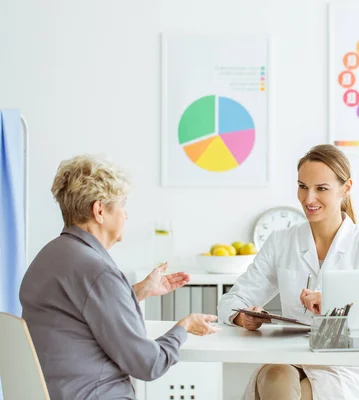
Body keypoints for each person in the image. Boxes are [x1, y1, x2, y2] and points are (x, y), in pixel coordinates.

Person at [19, 155, 219, 400]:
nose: (126, 215)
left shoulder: (49, 257)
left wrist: (138, 290)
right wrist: (184, 327)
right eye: (123, 205)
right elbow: (148, 364)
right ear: (100, 210)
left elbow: (79, 313)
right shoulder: (97, 271)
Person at [218, 144, 359, 400]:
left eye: (321, 189)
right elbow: (232, 301)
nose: (308, 199)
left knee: (278, 387)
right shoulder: (281, 242)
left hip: (344, 367)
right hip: (289, 358)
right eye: (303, 186)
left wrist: (334, 304)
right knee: (275, 375)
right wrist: (242, 317)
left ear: (345, 188)